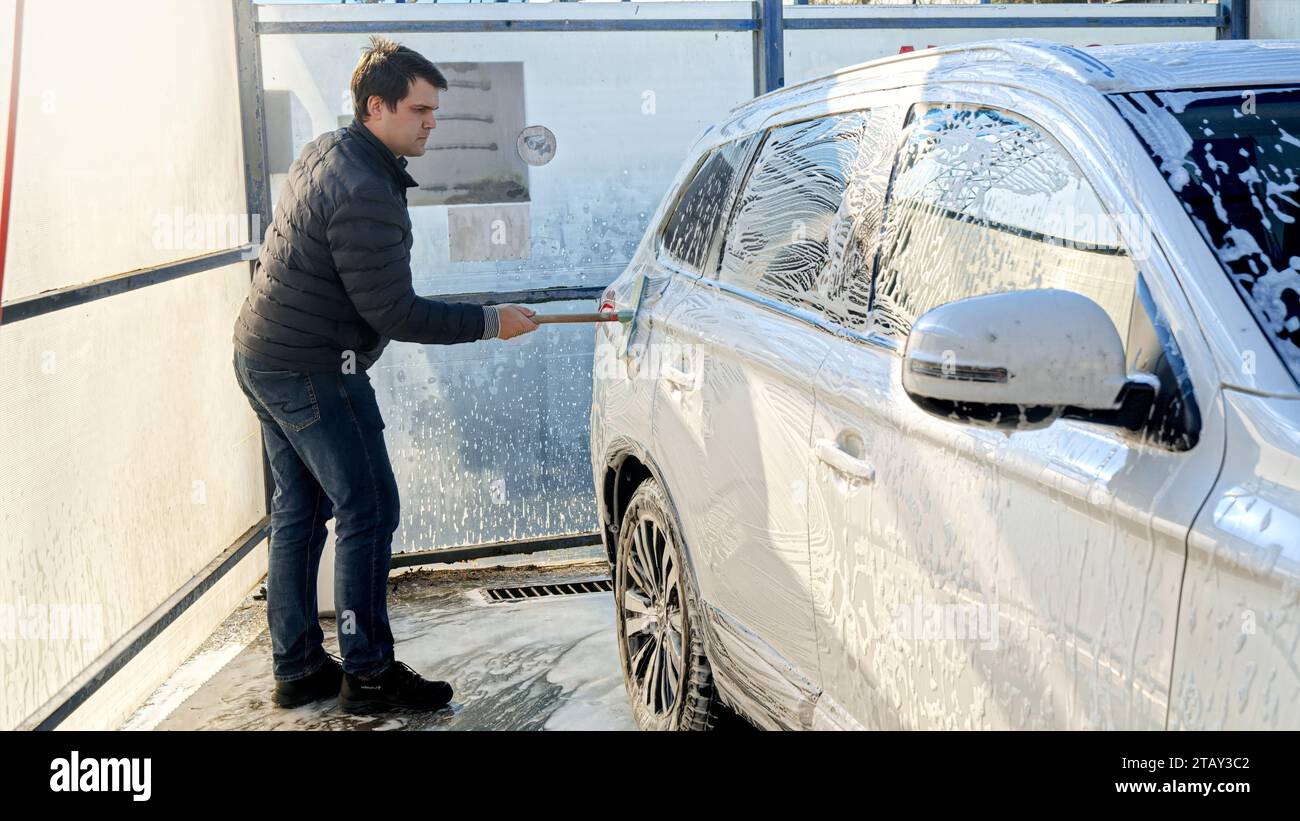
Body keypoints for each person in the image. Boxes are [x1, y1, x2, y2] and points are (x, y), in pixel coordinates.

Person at [231, 36, 538, 714]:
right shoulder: (366, 188)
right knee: (369, 507)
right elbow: (395, 311)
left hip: (263, 353)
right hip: (310, 367)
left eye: (434, 111)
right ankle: (367, 676)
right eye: (420, 110)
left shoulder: (330, 151)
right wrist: (492, 321)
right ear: (376, 107)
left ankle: (298, 665)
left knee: (300, 510)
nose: (432, 123)